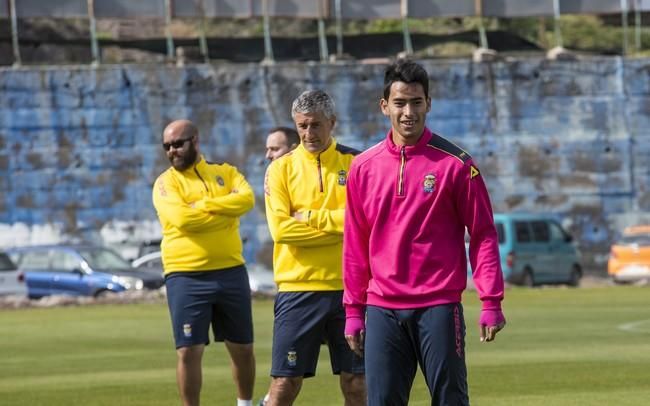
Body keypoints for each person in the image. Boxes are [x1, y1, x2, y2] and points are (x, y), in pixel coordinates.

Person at [342, 59, 506, 405]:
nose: (408, 112)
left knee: (450, 400)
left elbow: (482, 235)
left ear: (428, 104)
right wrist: (354, 310)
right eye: (400, 103)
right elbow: (355, 244)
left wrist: (491, 300)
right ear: (384, 106)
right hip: (382, 308)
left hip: (439, 306)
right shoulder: (362, 167)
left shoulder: (458, 165)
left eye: (416, 102)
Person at [263, 90, 366, 406]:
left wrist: (309, 217)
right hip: (298, 289)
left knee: (357, 384)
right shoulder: (280, 169)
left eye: (316, 125)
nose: (308, 133)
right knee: (284, 384)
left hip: (351, 289)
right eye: (302, 126)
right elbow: (281, 230)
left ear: (332, 123)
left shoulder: (358, 163)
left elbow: (368, 221)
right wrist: (344, 229)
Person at [152, 119, 256, 406]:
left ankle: (244, 404)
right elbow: (183, 220)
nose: (172, 150)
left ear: (195, 141)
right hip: (185, 275)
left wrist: (206, 205)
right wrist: (225, 210)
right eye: (167, 146)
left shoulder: (225, 172)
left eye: (178, 143)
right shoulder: (165, 183)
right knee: (189, 350)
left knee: (243, 348)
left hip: (231, 271)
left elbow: (247, 200)